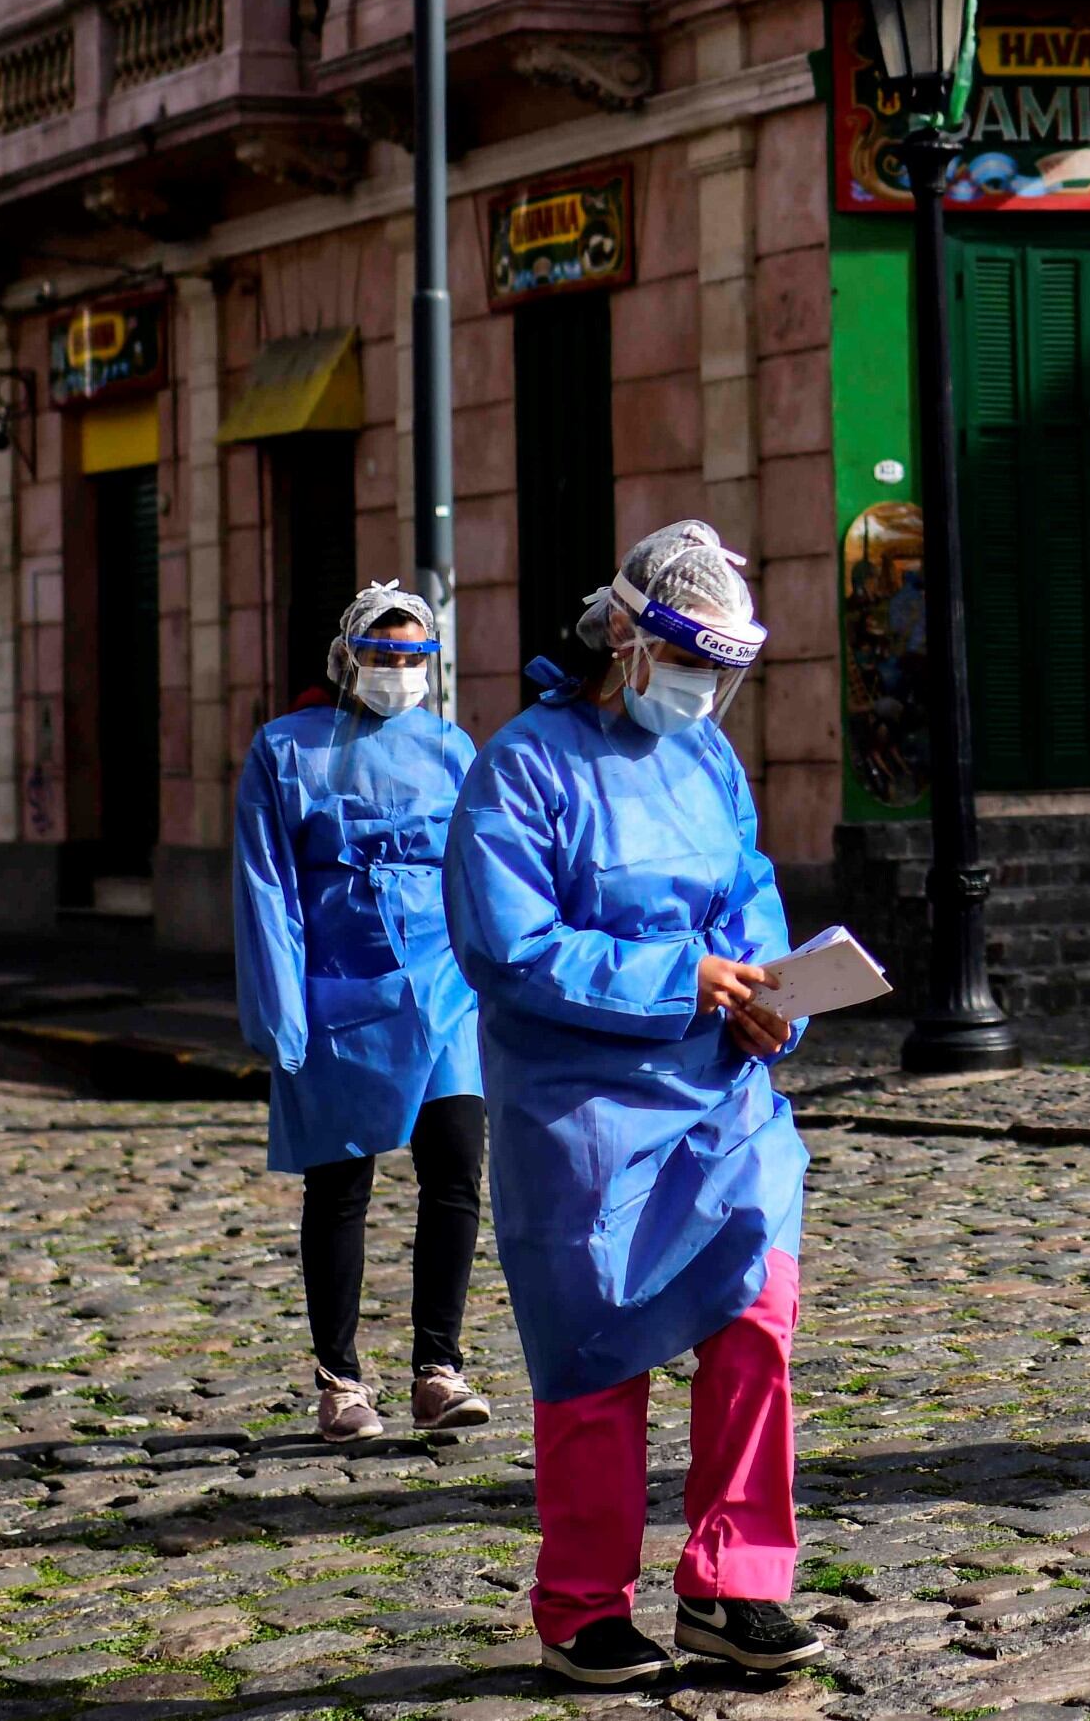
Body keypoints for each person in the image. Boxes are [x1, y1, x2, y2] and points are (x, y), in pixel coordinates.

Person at [454, 519, 823, 1690]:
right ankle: (582, 1604)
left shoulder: (708, 761)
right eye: (693, 665)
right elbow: (507, 946)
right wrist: (678, 978)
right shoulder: (524, 767)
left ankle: (733, 1586)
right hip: (586, 1119)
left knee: (758, 1319)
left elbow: (747, 890)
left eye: (725, 673)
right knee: (595, 1357)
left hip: (719, 1097)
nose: (706, 694)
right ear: (626, 642)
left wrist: (773, 996)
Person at [231, 581, 493, 1443]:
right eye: (384, 654)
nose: (400, 671)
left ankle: (438, 1367)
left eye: (416, 657)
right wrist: (280, 1007)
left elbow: (488, 869)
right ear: (349, 656)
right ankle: (339, 1379)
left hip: (445, 986)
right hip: (339, 988)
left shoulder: (454, 748)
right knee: (341, 1182)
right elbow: (267, 885)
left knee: (454, 1168)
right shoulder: (284, 751)